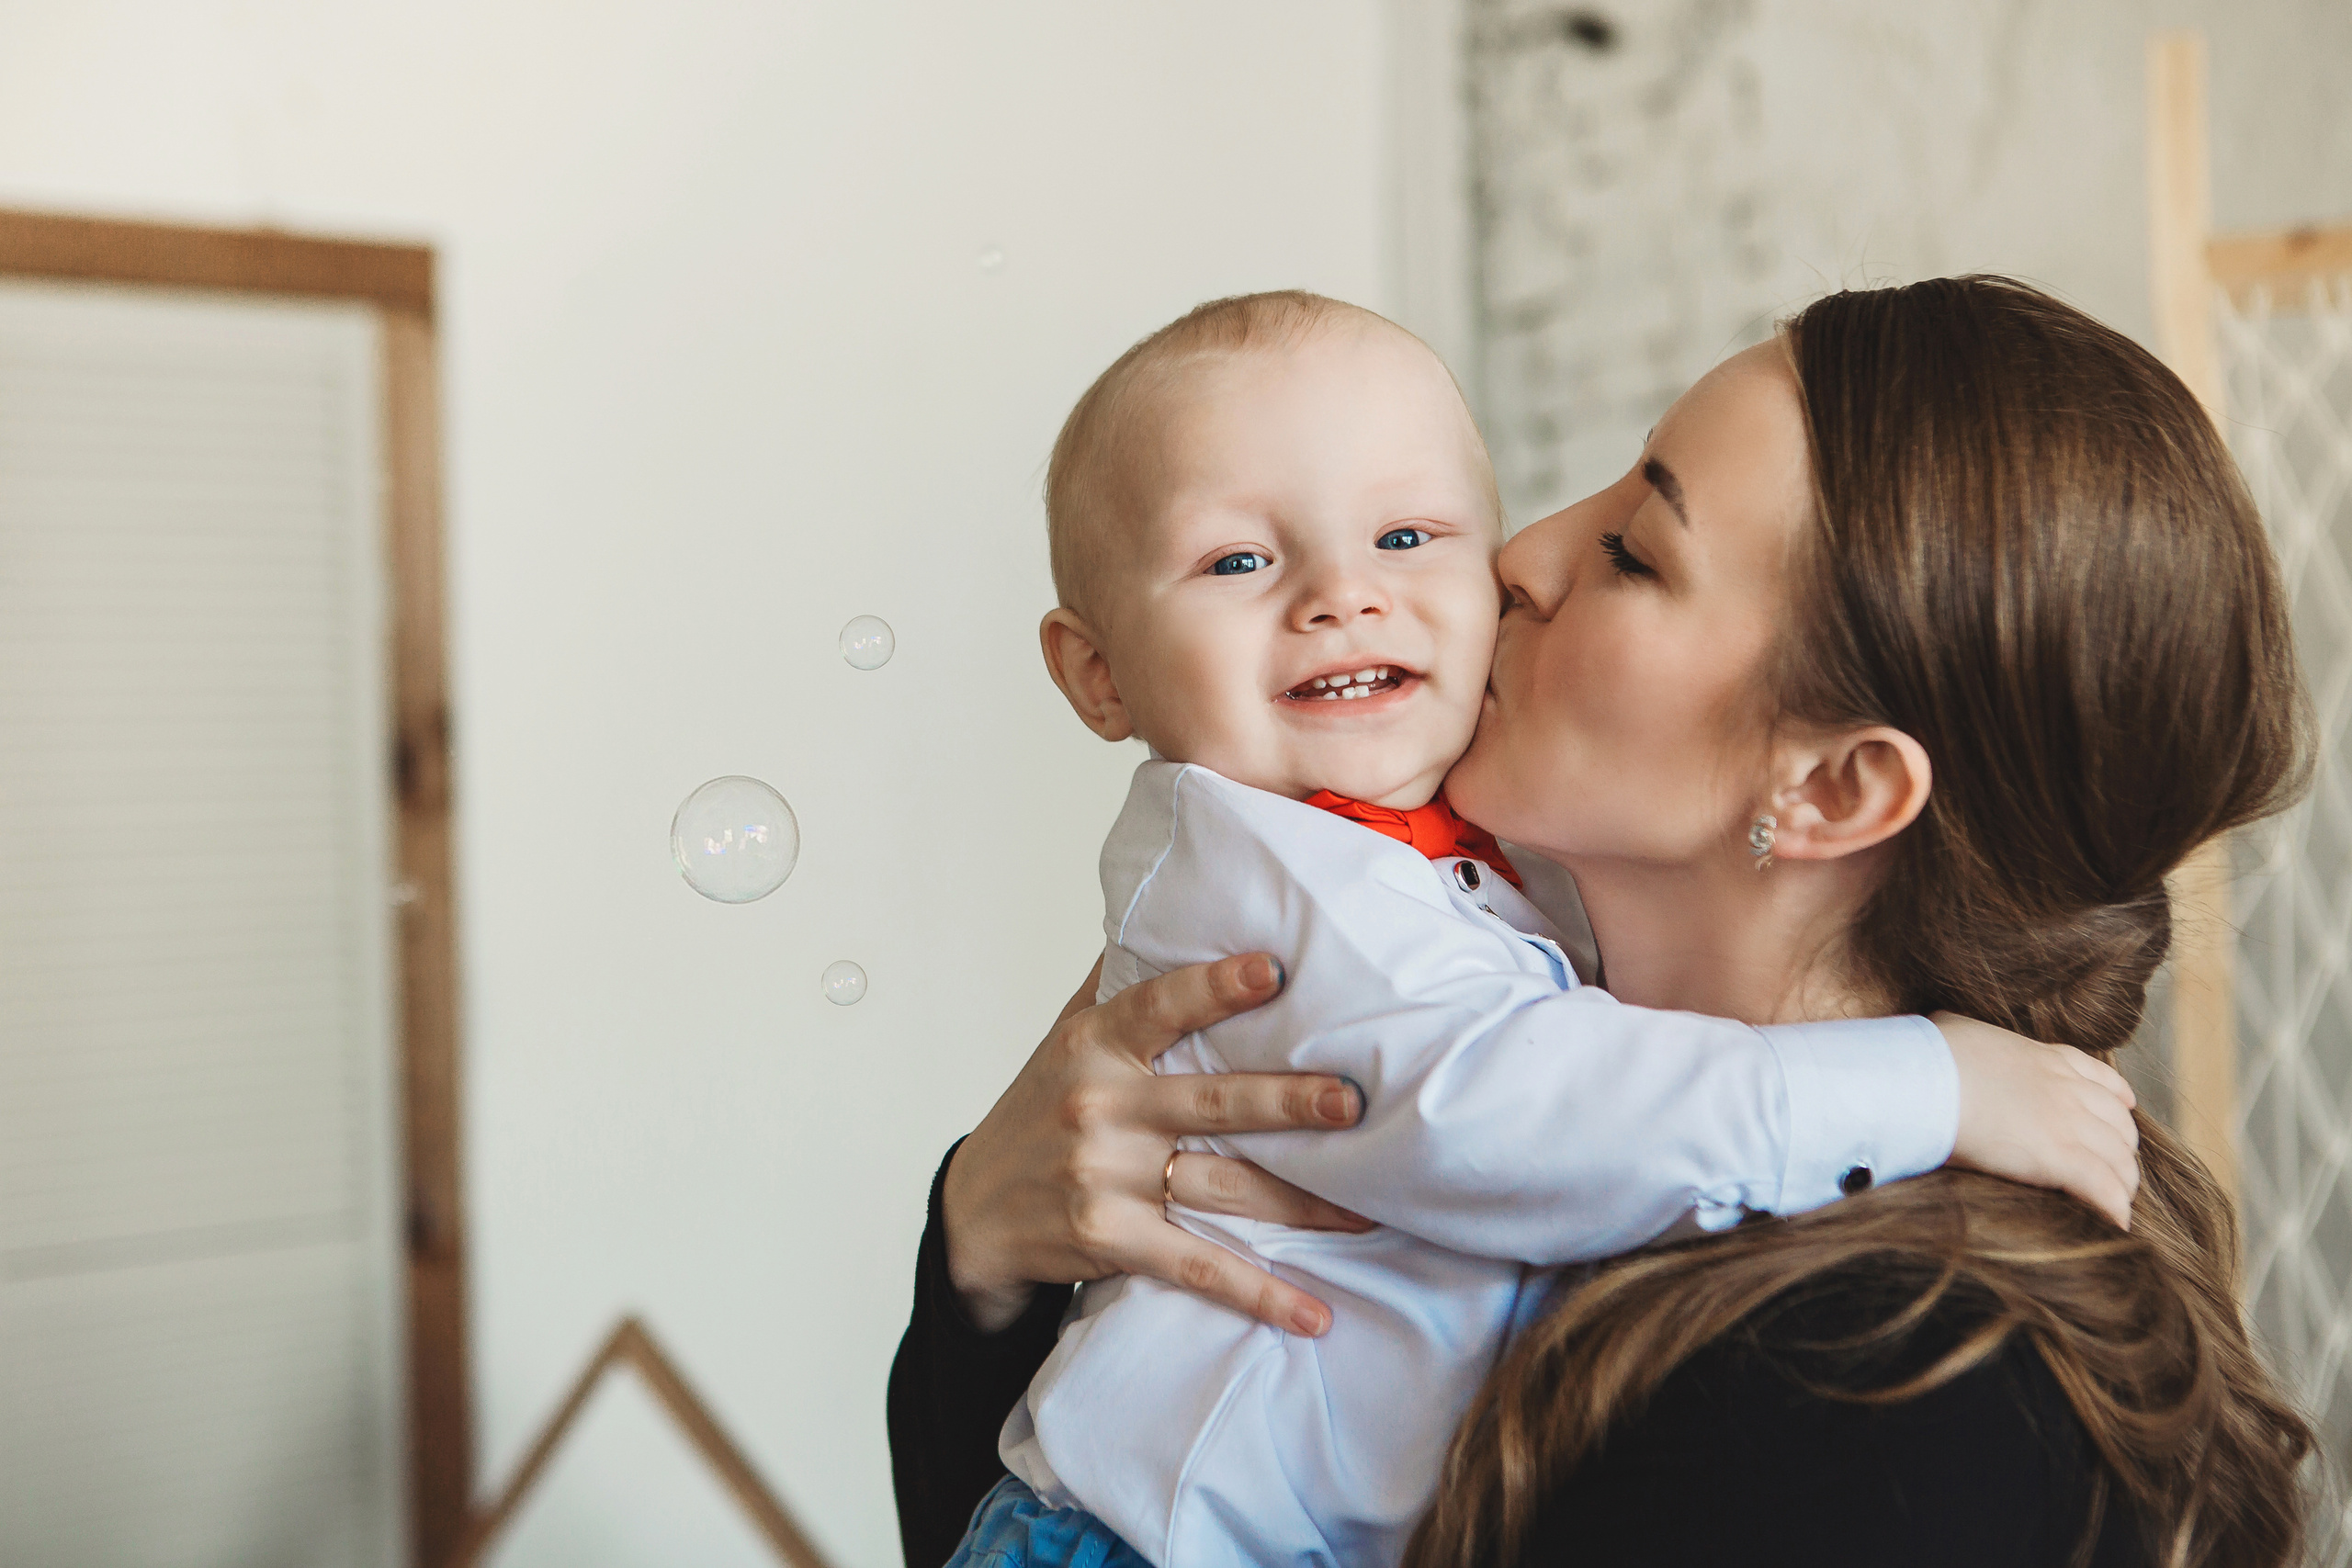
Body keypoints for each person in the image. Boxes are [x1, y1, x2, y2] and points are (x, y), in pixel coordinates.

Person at [890, 277, 2319, 1567]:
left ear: (1831, 787)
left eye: (1635, 550)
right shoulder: (1383, 939)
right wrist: (982, 1249)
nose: (1517, 556)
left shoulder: (1891, 1398)